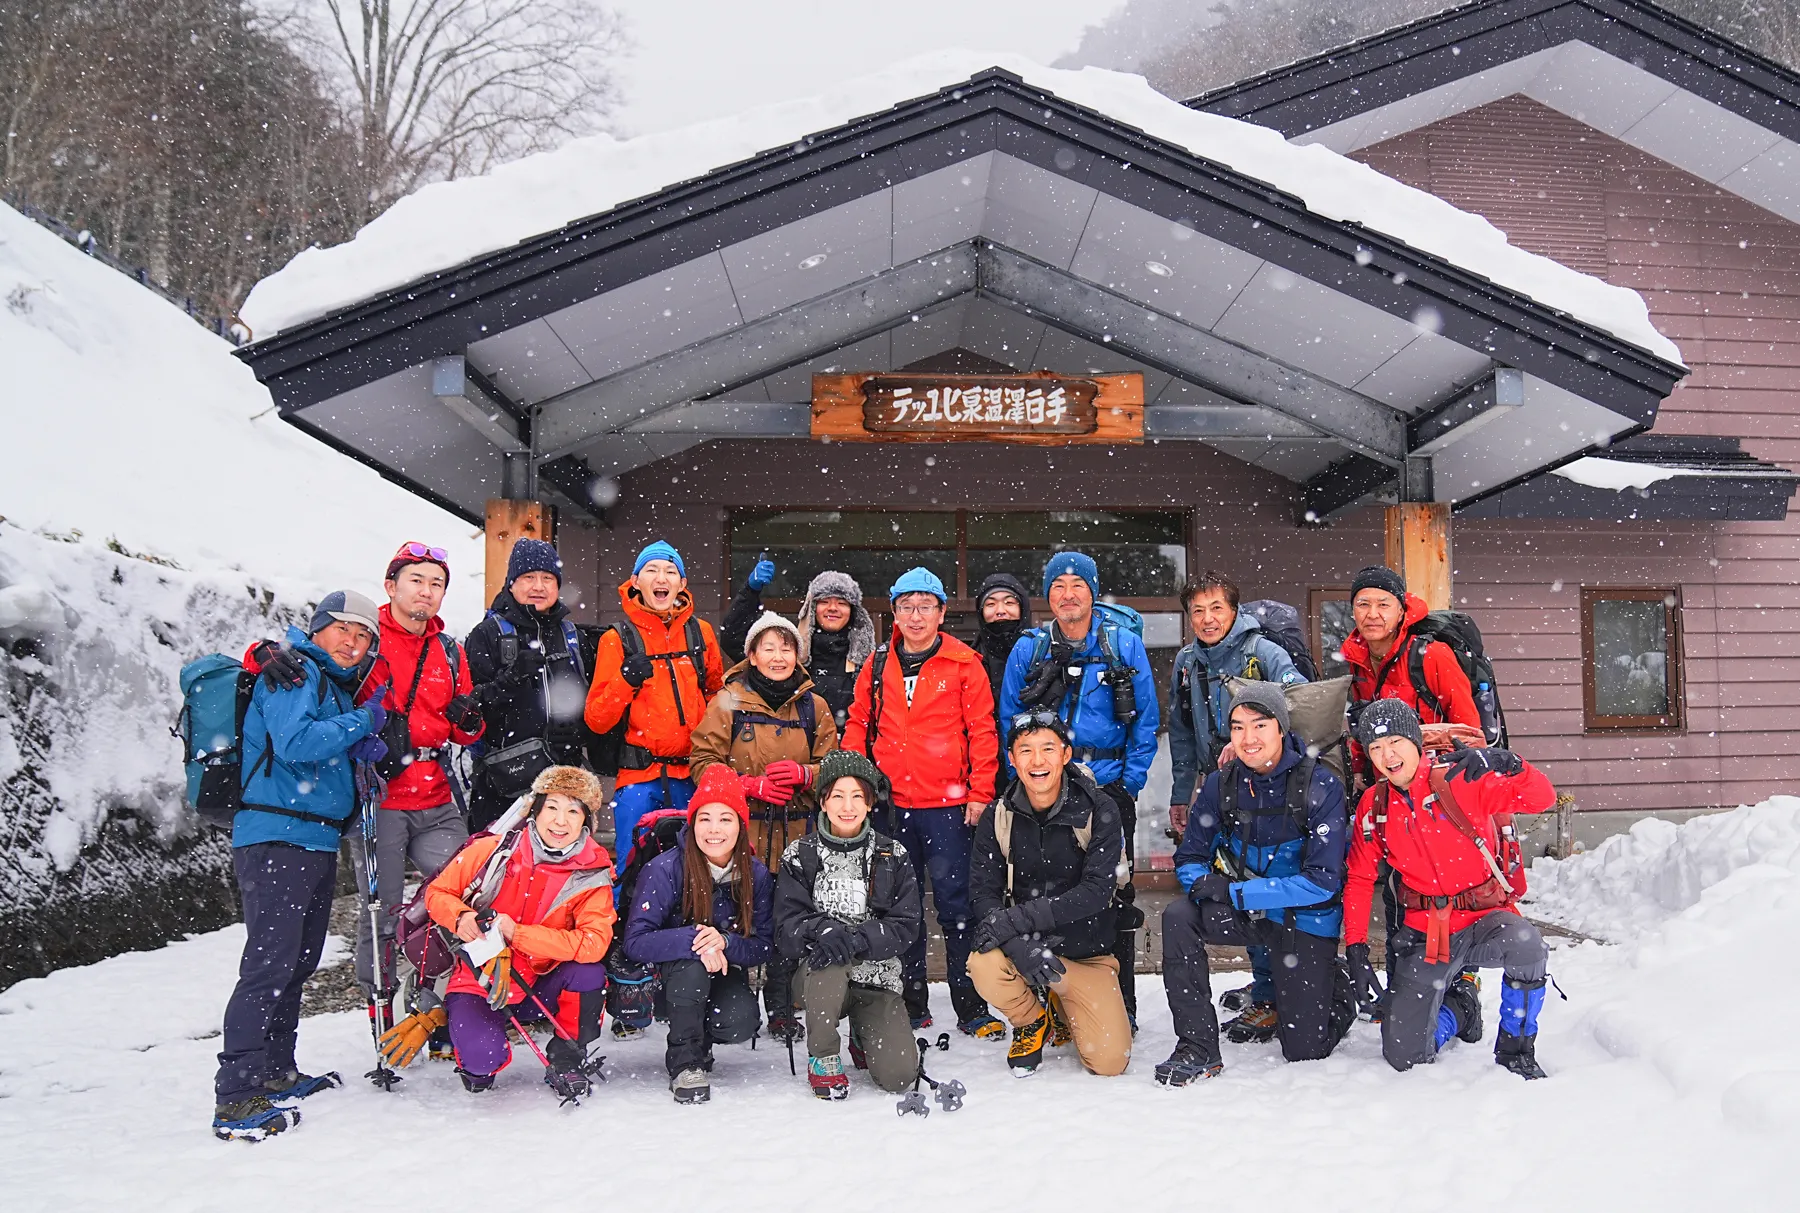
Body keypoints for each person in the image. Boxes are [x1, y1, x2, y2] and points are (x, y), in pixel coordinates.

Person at [212, 591, 386, 1141]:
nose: (353, 644)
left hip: (311, 840)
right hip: (274, 837)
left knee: (298, 960)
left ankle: (276, 1069)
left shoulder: (326, 683)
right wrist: (362, 722)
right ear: (318, 629)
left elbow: (320, 746)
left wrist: (359, 746)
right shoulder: (294, 672)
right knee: (269, 964)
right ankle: (236, 1095)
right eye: (344, 630)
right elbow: (296, 743)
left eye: (363, 637)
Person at [1343, 699, 1557, 1078]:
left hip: (1484, 919)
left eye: (1394, 741)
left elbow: (1542, 799)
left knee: (1528, 949)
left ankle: (1515, 1049)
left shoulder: (1461, 779)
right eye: (1375, 747)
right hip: (1426, 932)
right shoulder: (1374, 805)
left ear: (1415, 740)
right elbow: (1360, 878)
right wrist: (1357, 947)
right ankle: (1461, 1009)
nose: (1387, 755)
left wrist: (1511, 764)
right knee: (1405, 1056)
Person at [1156, 684, 1348, 1086]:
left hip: (1303, 920)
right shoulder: (1220, 785)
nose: (1249, 738)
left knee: (1304, 1051)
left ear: (1281, 728)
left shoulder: (1320, 786)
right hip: (1246, 913)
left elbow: (1322, 882)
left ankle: (1335, 984)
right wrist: (1203, 884)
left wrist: (1237, 893)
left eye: (1260, 725)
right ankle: (1197, 1046)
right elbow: (1189, 857)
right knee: (1178, 916)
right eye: (1238, 727)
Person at [841, 566, 1002, 1037]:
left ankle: (971, 1007)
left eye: (925, 606)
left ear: (941, 613)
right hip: (891, 807)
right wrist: (853, 780)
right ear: (893, 612)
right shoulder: (874, 665)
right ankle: (912, 1004)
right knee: (898, 909)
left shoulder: (964, 662)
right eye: (907, 606)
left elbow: (984, 732)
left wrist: (980, 793)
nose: (916, 616)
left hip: (949, 810)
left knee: (956, 909)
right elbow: (857, 724)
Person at [997, 552, 1158, 1021]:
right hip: (1046, 786)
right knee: (1043, 890)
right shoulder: (1029, 648)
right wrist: (1023, 781)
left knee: (1114, 892)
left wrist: (1130, 782)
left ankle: (1118, 1002)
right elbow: (1009, 718)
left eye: (1078, 585)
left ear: (1092, 592)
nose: (1068, 595)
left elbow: (1146, 720)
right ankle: (1047, 1002)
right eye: (1058, 586)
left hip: (1108, 783)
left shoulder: (1123, 645)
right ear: (1047, 595)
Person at [1167, 571, 1309, 1045]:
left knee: (1265, 878)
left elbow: (1300, 702)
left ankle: (1276, 993)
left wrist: (1248, 742)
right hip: (1220, 788)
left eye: (1217, 609)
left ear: (1235, 611)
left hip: (1269, 788)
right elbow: (1183, 734)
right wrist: (1180, 793)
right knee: (1237, 875)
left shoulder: (1263, 652)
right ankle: (1267, 983)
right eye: (1198, 611)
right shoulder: (1187, 662)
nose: (1208, 620)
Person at [689, 610, 838, 1039]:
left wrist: (807, 775)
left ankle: (782, 1006)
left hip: (797, 832)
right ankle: (728, 1001)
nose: (778, 656)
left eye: (786, 648)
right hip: (740, 834)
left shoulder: (815, 705)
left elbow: (835, 766)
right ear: (752, 655)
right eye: (768, 648)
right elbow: (702, 763)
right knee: (738, 912)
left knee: (788, 916)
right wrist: (747, 786)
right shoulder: (728, 699)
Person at [424, 766, 615, 1094]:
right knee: (481, 1062)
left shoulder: (592, 872)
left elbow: (594, 943)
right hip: (479, 979)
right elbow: (437, 893)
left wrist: (518, 934)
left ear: (586, 821)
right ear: (535, 811)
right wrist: (460, 917)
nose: (560, 821)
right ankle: (475, 1055)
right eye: (551, 808)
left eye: (573, 811)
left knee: (589, 973)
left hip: (542, 980)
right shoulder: (494, 850)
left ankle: (568, 1056)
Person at [1341, 565, 1482, 1008]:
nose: (1373, 613)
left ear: (1402, 609)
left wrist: (1427, 761)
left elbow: (1469, 730)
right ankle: (1409, 986)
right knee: (1400, 888)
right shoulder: (1357, 660)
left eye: (1384, 603)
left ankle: (1461, 989)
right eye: (1363, 604)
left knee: (1450, 885)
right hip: (1388, 792)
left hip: (1438, 793)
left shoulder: (1432, 655)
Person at [352, 543, 483, 1010]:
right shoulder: (365, 639)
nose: (426, 592)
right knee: (381, 913)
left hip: (437, 795)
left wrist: (469, 722)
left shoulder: (449, 650)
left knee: (462, 899)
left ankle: (435, 1002)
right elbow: (309, 662)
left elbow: (466, 731)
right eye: (416, 581)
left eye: (436, 584)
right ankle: (380, 1008)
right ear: (391, 586)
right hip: (381, 796)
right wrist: (262, 654)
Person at [967, 710, 1132, 1078]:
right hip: (1024, 948)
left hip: (1087, 956)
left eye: (1048, 748)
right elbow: (983, 893)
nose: (1037, 761)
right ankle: (1030, 1019)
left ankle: (1062, 1001)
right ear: (1011, 759)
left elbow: (1095, 892)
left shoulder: (1099, 809)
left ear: (1066, 754)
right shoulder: (998, 815)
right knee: (983, 964)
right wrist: (1017, 946)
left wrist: (1014, 922)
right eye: (1025, 750)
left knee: (1109, 1062)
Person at [774, 750, 924, 1099]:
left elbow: (906, 926)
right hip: (818, 979)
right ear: (823, 801)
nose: (848, 806)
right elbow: (786, 928)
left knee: (899, 1077)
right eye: (838, 795)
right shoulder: (800, 854)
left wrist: (857, 939)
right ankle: (823, 1057)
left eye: (858, 796)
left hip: (876, 977)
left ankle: (863, 1036)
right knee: (830, 960)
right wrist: (823, 932)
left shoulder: (893, 854)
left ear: (870, 803)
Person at [621, 763, 774, 1104]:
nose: (714, 829)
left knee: (739, 1021)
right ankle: (684, 1063)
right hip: (667, 981)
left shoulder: (756, 875)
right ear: (693, 822)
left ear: (740, 825)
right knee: (691, 971)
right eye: (705, 818)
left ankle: (701, 1041)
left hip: (721, 973)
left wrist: (725, 942)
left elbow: (764, 946)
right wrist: (696, 940)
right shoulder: (665, 868)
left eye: (725, 818)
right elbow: (635, 942)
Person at [583, 540, 725, 868]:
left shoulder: (701, 634)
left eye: (670, 571)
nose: (661, 577)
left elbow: (719, 698)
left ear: (682, 584)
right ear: (636, 581)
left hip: (693, 775)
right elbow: (596, 720)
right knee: (632, 868)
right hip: (638, 778)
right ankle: (630, 922)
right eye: (652, 570)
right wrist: (626, 681)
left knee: (697, 868)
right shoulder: (616, 639)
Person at [463, 538, 603, 832]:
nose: (538, 586)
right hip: (504, 784)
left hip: (565, 780)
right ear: (512, 583)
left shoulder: (572, 635)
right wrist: (511, 679)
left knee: (559, 871)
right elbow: (469, 710)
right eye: (529, 577)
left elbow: (594, 704)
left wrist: (578, 732)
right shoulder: (488, 634)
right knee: (499, 868)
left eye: (547, 578)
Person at [796, 571, 876, 730]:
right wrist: (750, 592)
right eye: (824, 601)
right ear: (812, 609)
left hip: (853, 748)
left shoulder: (872, 662)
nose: (832, 608)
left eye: (842, 603)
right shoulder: (791, 656)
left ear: (853, 612)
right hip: (802, 749)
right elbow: (734, 641)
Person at [972, 572, 1032, 714]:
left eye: (1009, 602)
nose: (1000, 611)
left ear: (1022, 609)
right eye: (991, 604)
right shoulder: (972, 659)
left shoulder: (1040, 652)